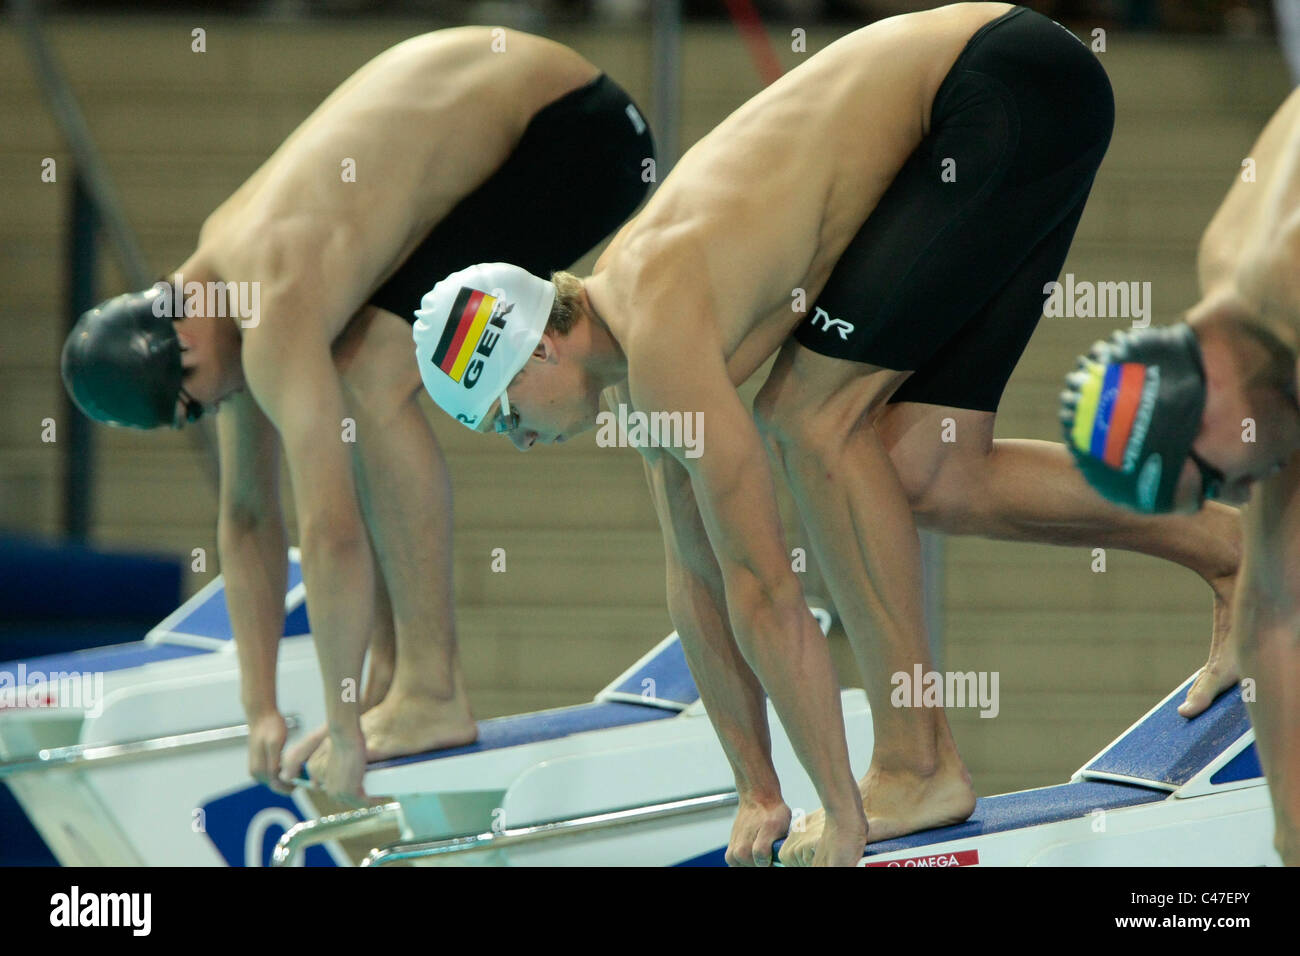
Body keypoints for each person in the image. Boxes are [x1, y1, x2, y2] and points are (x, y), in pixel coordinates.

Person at [415, 3, 1240, 865]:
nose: (514, 440)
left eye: (502, 413)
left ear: (539, 347)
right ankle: (1232, 552)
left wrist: (839, 809)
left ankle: (918, 762)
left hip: (995, 92)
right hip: (1020, 96)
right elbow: (700, 585)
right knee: (926, 474)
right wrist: (759, 792)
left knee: (810, 419)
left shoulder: (661, 330)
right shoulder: (645, 354)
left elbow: (767, 589)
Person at [61, 28, 654, 801]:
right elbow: (246, 517)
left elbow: (330, 532)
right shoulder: (218, 290)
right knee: (358, 361)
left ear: (188, 356)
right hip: (524, 118)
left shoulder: (270, 305)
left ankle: (432, 689)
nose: (219, 412)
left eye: (195, 409)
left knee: (374, 379)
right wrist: (260, 708)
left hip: (578, 134)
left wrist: (340, 732)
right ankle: (396, 678)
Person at [1062, 87, 1300, 865]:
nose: (1234, 496)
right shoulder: (1235, 306)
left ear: (1205, 420)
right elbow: (1277, 598)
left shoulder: (1288, 281)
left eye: (1212, 484)